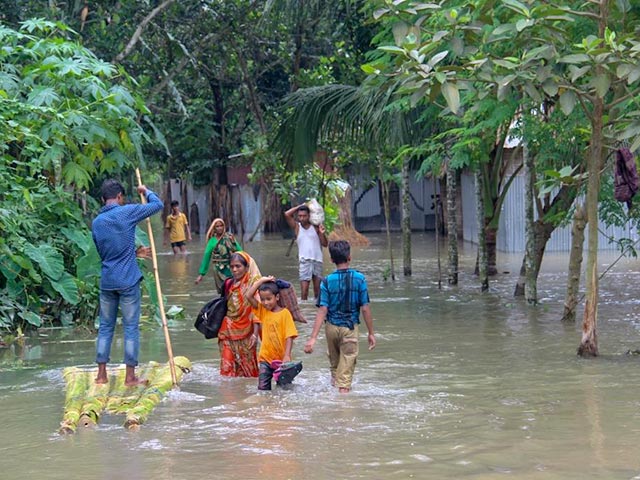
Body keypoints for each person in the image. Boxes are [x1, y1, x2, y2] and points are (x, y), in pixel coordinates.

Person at [92, 179, 164, 386]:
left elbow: (104, 254)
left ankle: (101, 375)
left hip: (108, 281)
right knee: (130, 328)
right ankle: (130, 377)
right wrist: (146, 191)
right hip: (128, 281)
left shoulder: (97, 222)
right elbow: (157, 205)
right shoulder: (127, 212)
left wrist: (133, 253)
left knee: (105, 327)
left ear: (102, 199)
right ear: (120, 197)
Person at [304, 240, 375, 393]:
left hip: (331, 328)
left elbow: (322, 309)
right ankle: (343, 410)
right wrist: (371, 333)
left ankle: (333, 405)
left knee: (335, 368)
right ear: (349, 257)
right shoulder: (359, 279)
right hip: (349, 328)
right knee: (345, 375)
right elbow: (365, 309)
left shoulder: (327, 281)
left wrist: (313, 338)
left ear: (331, 260)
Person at [246, 277, 298, 390]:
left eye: (269, 299)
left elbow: (289, 336)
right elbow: (248, 296)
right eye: (263, 299)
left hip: (282, 359)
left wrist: (287, 355)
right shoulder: (263, 311)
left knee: (284, 389)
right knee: (263, 388)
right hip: (265, 358)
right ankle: (265, 406)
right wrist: (262, 281)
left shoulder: (285, 314)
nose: (265, 302)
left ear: (277, 297)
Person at [217, 251, 262, 377]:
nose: (234, 270)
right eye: (232, 267)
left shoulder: (253, 285)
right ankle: (227, 395)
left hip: (247, 332)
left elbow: (257, 310)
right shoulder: (229, 284)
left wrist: (255, 334)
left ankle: (244, 395)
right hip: (228, 328)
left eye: (238, 266)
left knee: (248, 372)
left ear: (247, 267)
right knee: (227, 369)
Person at [284, 203, 328, 300]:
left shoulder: (316, 228)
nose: (302, 218)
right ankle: (305, 310)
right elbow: (287, 214)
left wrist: (322, 234)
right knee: (304, 292)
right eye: (300, 216)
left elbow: (325, 244)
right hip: (304, 262)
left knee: (318, 292)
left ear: (309, 216)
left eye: (304, 216)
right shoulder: (297, 227)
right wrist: (299, 206)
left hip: (317, 261)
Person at [195, 218, 242, 293]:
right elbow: (206, 257)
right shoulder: (212, 241)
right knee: (223, 290)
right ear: (214, 228)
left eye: (221, 226)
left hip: (230, 267)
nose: (220, 228)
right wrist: (201, 274)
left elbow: (240, 251)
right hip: (218, 269)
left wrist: (246, 264)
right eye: (217, 226)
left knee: (232, 288)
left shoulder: (229, 238)